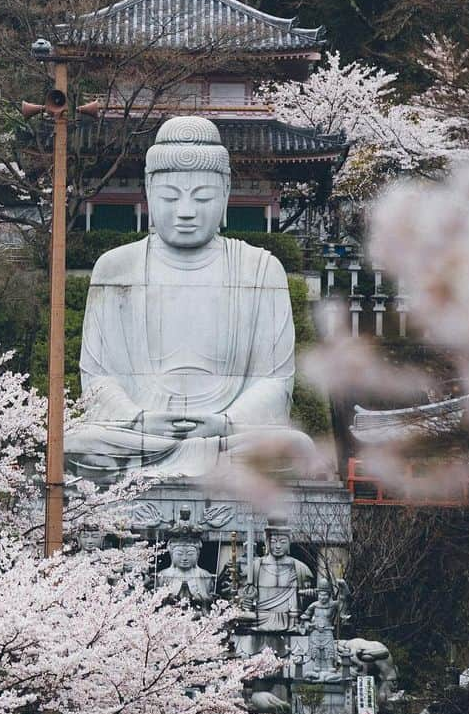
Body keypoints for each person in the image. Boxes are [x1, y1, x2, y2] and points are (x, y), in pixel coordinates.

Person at [65, 116, 318, 482]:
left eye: (203, 197)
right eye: (170, 197)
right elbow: (97, 378)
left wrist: (225, 422)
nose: (186, 211)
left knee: (296, 449)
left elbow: (276, 383)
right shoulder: (115, 267)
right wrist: (140, 419)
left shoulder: (262, 269)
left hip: (227, 436)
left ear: (226, 192)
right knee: (77, 445)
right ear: (149, 192)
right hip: (141, 435)